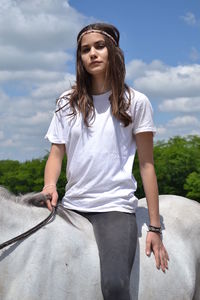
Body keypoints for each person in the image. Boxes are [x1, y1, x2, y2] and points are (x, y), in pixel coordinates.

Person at [42, 23, 169, 300]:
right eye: (85, 49)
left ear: (113, 52)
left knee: (114, 285)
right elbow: (56, 152)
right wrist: (50, 184)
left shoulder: (135, 101)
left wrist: (155, 227)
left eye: (99, 46)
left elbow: (147, 165)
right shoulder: (67, 101)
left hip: (114, 207)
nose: (92, 54)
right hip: (72, 206)